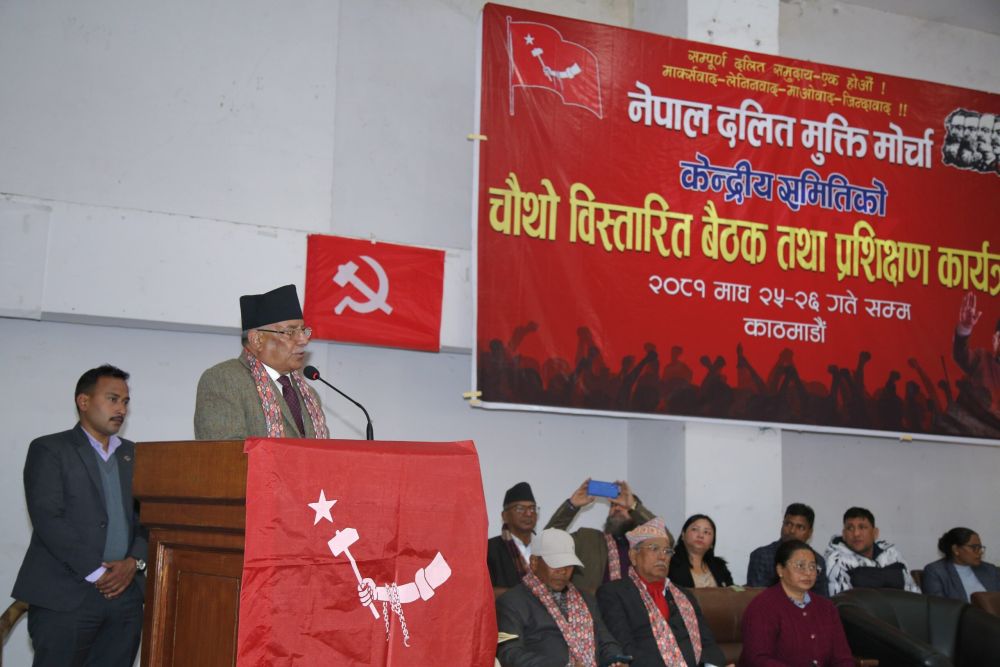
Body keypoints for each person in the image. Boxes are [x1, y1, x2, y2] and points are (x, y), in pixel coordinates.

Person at [11, 365, 148, 666]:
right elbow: (48, 519)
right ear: (83, 401)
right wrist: (98, 573)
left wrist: (133, 563)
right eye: (112, 399)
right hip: (65, 595)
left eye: (125, 401)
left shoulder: (136, 455)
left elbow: (148, 519)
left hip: (124, 595)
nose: (121, 409)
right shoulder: (50, 449)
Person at [194, 284, 330, 440]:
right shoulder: (224, 380)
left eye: (303, 331)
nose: (304, 340)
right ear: (257, 339)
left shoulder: (309, 395)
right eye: (290, 332)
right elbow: (224, 452)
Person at [597, 518, 729, 667]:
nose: (662, 556)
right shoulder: (613, 593)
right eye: (654, 549)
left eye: (667, 551)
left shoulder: (684, 595)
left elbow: (709, 644)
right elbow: (625, 649)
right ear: (633, 556)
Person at [496, 528, 629, 667]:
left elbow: (606, 642)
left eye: (569, 565)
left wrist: (616, 660)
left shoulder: (586, 599)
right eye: (556, 564)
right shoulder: (512, 602)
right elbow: (510, 654)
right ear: (534, 562)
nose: (563, 571)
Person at [738, 539, 854, 667]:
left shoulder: (827, 608)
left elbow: (843, 658)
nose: (808, 573)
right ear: (780, 570)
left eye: (812, 567)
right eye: (800, 566)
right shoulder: (763, 606)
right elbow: (757, 659)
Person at [545, 478, 657, 594]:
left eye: (624, 506)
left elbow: (664, 537)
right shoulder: (587, 538)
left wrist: (634, 505)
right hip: (591, 605)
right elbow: (548, 539)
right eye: (613, 505)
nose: (617, 508)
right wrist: (571, 506)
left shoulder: (644, 548)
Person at [824, 507, 920, 596]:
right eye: (850, 528)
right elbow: (842, 601)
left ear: (875, 533)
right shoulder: (835, 559)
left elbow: (913, 593)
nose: (856, 534)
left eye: (862, 527)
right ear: (844, 535)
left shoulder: (891, 553)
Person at [745, 502, 828, 595]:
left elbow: (823, 599)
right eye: (788, 524)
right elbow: (757, 597)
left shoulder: (817, 561)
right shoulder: (762, 556)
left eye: (800, 527)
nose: (792, 531)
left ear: (810, 532)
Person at [488, 482, 538, 598]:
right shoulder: (489, 549)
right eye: (520, 508)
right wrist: (525, 594)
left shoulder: (544, 549)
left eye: (532, 508)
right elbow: (483, 591)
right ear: (504, 516)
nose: (528, 513)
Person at [922, 527, 1000, 601]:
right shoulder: (936, 571)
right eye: (974, 547)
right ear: (955, 549)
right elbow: (938, 605)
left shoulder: (989, 569)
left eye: (979, 547)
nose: (980, 552)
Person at [953, 291, 1000, 413]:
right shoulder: (982, 359)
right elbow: (960, 354)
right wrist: (965, 327)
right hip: (973, 421)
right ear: (994, 339)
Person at [668, 514, 734, 588]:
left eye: (706, 532)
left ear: (712, 542)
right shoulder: (669, 561)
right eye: (695, 529)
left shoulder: (720, 566)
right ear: (683, 535)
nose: (700, 535)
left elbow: (732, 591)